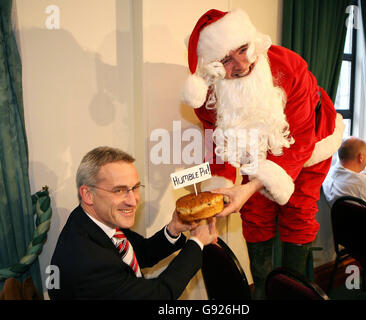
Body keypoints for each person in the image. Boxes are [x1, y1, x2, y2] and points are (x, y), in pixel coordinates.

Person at [181, 8, 345, 299]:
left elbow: (301, 141)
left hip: (309, 143)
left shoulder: (290, 67)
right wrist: (218, 195)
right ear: (212, 67)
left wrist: (253, 184)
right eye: (226, 60)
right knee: (255, 213)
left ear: (252, 40)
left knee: (298, 212)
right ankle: (262, 291)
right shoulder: (207, 98)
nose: (242, 64)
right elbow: (217, 144)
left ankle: (297, 291)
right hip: (254, 150)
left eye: (243, 49)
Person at [49, 146, 217, 300]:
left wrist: (173, 229)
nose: (133, 200)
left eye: (135, 187)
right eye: (119, 190)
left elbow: (139, 253)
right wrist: (197, 241)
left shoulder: (91, 219)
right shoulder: (89, 262)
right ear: (87, 194)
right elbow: (159, 295)